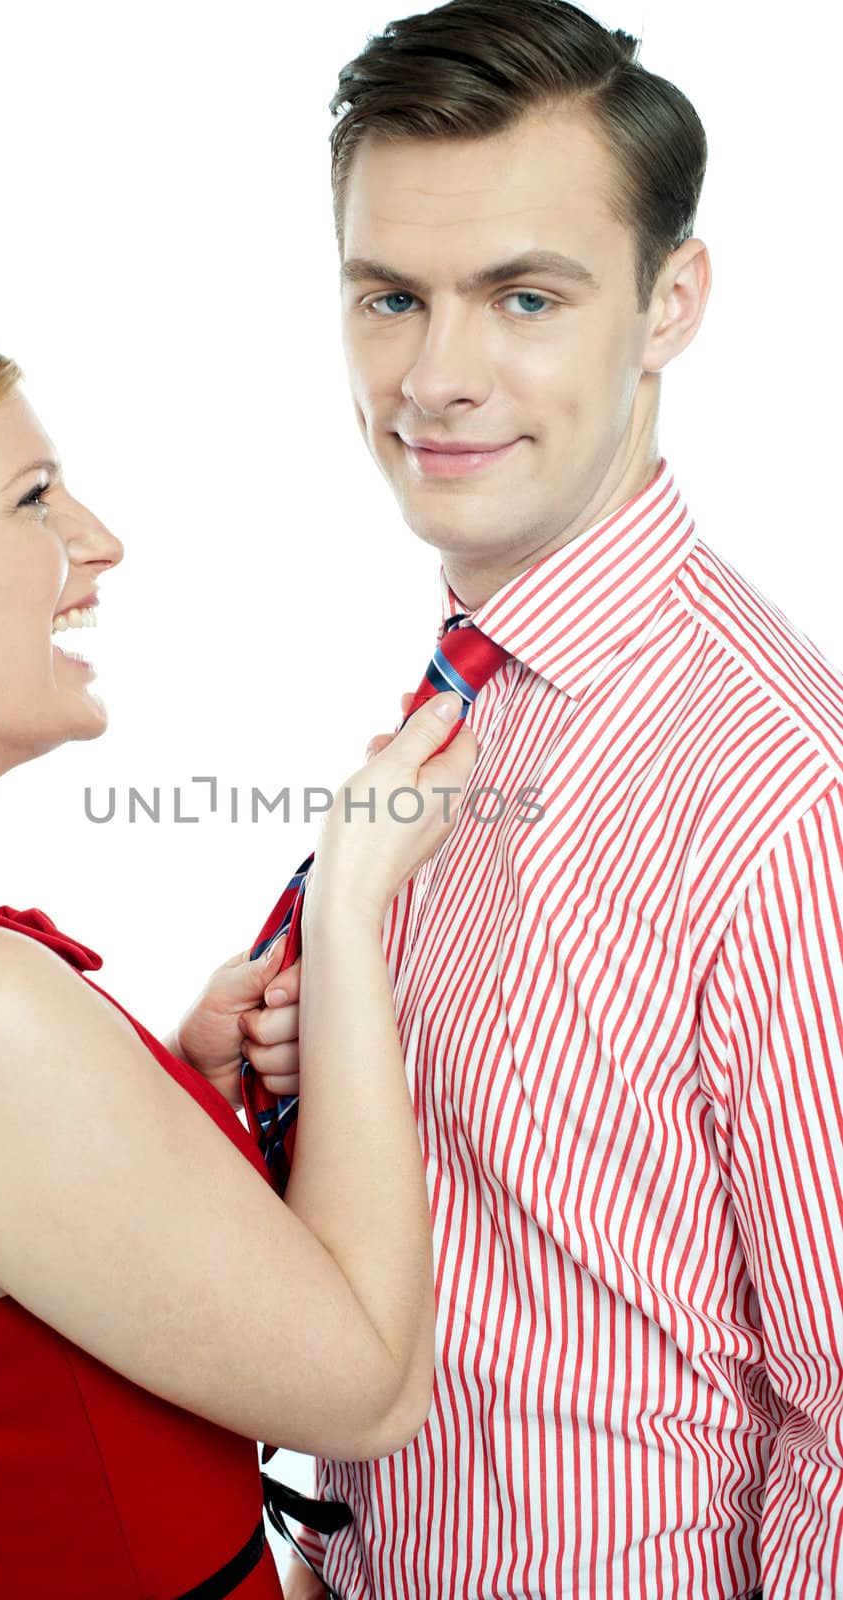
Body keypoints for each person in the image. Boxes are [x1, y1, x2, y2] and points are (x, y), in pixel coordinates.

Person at [259, 2, 842, 1596]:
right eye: (390, 297)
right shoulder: (467, 701)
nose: (437, 378)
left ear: (671, 303)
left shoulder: (778, 790)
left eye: (524, 296)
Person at [0, 314, 479, 1600]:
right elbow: (368, 1389)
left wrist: (161, 1089)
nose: (100, 542)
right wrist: (352, 906)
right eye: (35, 498)